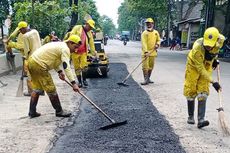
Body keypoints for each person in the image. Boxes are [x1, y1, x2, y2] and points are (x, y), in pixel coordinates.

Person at [27, 35, 81, 118]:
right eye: (75, 47)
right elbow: (66, 66)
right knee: (51, 89)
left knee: (37, 88)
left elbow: (53, 60)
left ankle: (32, 112)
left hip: (31, 62)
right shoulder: (65, 49)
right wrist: (73, 83)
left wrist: (59, 71)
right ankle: (59, 111)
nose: (75, 50)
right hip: (39, 65)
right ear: (70, 43)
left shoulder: (60, 45)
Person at [184, 27, 223, 129]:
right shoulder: (197, 48)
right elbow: (200, 69)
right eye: (206, 45)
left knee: (203, 90)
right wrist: (213, 82)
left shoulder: (220, 41)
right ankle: (191, 116)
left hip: (207, 65)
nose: (208, 47)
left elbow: (216, 51)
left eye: (210, 45)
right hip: (193, 65)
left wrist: (215, 59)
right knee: (191, 89)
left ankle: (201, 120)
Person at [67, 19, 96, 88]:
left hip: (83, 52)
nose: (90, 28)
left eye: (91, 28)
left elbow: (91, 43)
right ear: (86, 24)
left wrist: (93, 53)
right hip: (75, 52)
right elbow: (71, 36)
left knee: (84, 67)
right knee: (77, 68)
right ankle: (79, 82)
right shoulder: (77, 28)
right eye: (90, 27)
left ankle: (84, 80)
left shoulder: (89, 33)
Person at [19, 21, 42, 96]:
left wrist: (25, 57)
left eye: (20, 30)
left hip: (32, 58)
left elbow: (27, 50)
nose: (20, 31)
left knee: (30, 75)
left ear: (23, 28)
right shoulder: (35, 31)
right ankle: (41, 90)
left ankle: (30, 91)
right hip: (40, 56)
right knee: (39, 74)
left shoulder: (25, 36)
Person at [140, 18, 161, 85]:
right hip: (145, 53)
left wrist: (157, 44)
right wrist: (146, 52)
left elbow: (158, 40)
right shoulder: (144, 33)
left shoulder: (156, 32)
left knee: (151, 67)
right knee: (145, 67)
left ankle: (148, 78)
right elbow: (144, 43)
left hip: (153, 52)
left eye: (149, 23)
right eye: (147, 23)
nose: (148, 24)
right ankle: (145, 80)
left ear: (153, 24)